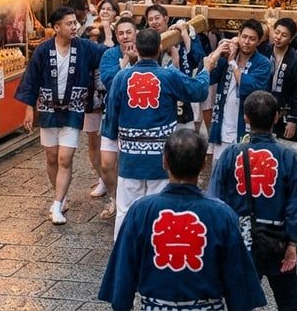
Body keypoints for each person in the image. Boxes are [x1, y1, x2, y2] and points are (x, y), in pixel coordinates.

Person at [98, 128, 266, 311]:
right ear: (202, 165)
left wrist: (122, 303)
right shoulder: (222, 214)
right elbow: (237, 280)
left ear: (164, 162)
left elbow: (124, 271)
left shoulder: (141, 210)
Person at [209, 92, 297, 311]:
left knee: (239, 301)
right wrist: (293, 243)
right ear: (277, 117)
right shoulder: (288, 157)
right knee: (288, 302)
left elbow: (215, 202)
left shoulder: (231, 155)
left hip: (240, 241)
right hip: (277, 240)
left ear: (245, 118)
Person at [100, 28, 214, 235]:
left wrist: (109, 144)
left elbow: (111, 118)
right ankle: (154, 254)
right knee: (159, 210)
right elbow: (198, 90)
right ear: (159, 48)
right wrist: (206, 69)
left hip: (130, 156)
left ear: (136, 48)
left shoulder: (121, 77)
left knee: (126, 211)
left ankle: (124, 255)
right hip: (160, 157)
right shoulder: (168, 75)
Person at [14, 6, 108, 225]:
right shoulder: (43, 50)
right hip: (48, 109)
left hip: (74, 108)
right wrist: (29, 108)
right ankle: (61, 196)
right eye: (69, 23)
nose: (74, 26)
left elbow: (107, 55)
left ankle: (56, 205)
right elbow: (31, 79)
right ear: (56, 27)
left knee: (65, 158)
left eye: (75, 22)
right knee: (51, 157)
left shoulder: (85, 48)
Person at [206, 20, 272, 162]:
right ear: (239, 36)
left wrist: (233, 64)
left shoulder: (263, 63)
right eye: (244, 37)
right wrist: (218, 52)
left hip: (246, 126)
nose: (247, 42)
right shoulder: (228, 56)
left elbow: (251, 87)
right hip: (223, 124)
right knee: (220, 168)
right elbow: (208, 76)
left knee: (244, 171)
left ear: (259, 41)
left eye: (252, 39)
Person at [94, 15, 140, 220]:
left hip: (136, 118)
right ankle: (116, 197)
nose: (125, 37)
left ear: (136, 33)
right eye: (120, 33)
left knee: (129, 164)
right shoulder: (109, 55)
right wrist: (125, 64)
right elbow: (109, 82)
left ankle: (130, 204)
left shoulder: (146, 53)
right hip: (112, 116)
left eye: (129, 32)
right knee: (106, 164)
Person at [144, 4, 205, 130]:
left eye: (157, 18)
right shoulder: (146, 41)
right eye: (150, 19)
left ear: (165, 18)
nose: (154, 22)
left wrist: (184, 34)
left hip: (181, 103)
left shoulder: (181, 35)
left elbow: (198, 59)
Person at [83, 0, 118, 201]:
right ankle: (102, 178)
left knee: (111, 138)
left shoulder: (119, 32)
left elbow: (111, 53)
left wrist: (107, 30)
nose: (105, 12)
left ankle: (111, 177)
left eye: (109, 9)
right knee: (92, 138)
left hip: (110, 92)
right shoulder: (87, 30)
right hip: (91, 92)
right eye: (102, 8)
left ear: (115, 13)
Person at [258, 18, 297, 142]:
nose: (278, 37)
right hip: (261, 109)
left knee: (282, 151)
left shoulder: (296, 60)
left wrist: (293, 120)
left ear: (291, 38)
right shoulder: (263, 51)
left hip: (285, 112)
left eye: (284, 35)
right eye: (276, 32)